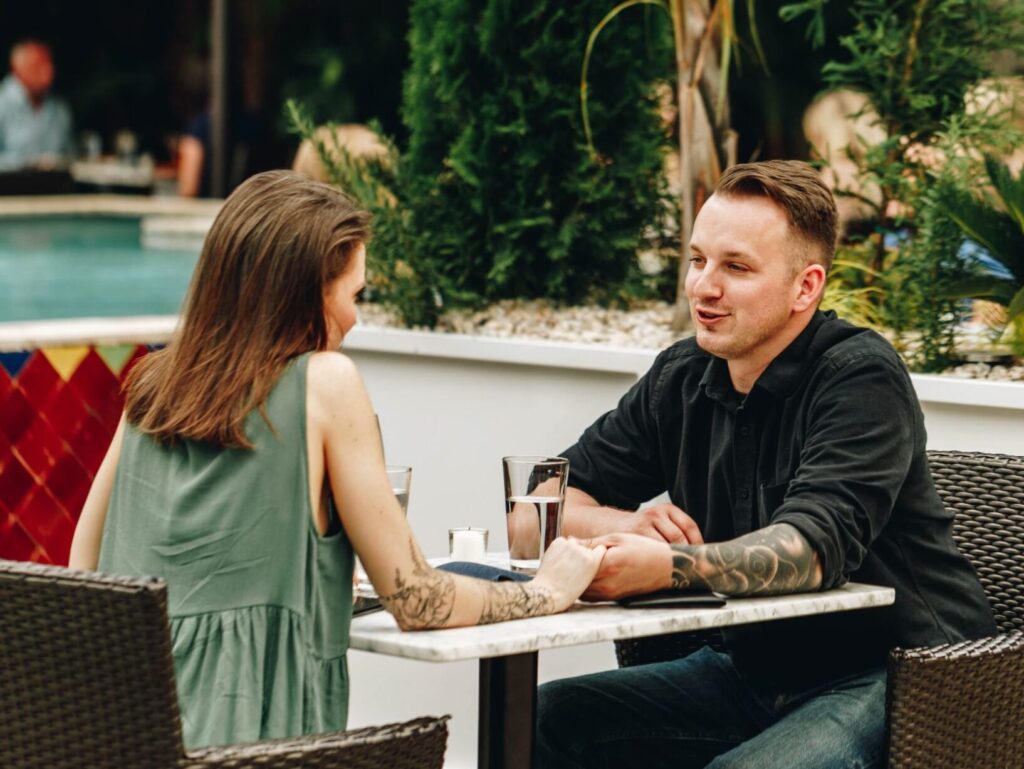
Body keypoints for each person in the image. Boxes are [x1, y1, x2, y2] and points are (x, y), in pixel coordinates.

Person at [68, 170, 604, 749]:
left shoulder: (151, 387)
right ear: (306, 295)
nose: (355, 319)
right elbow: (419, 600)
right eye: (355, 296)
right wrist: (546, 591)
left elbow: (85, 568)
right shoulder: (325, 382)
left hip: (118, 737)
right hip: (252, 748)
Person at [535, 160, 996, 769]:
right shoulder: (682, 377)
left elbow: (811, 550)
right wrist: (622, 526)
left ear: (806, 287)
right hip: (754, 673)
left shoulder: (860, 377)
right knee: (541, 720)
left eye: (737, 267)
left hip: (902, 674)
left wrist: (668, 568)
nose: (704, 287)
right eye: (697, 260)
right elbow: (540, 497)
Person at [0, 40, 72, 171]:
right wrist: (26, 164)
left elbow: (70, 155)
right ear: (17, 69)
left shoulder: (59, 107)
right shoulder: (3, 104)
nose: (49, 72)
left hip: (56, 183)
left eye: (50, 65)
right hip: (11, 183)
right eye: (38, 66)